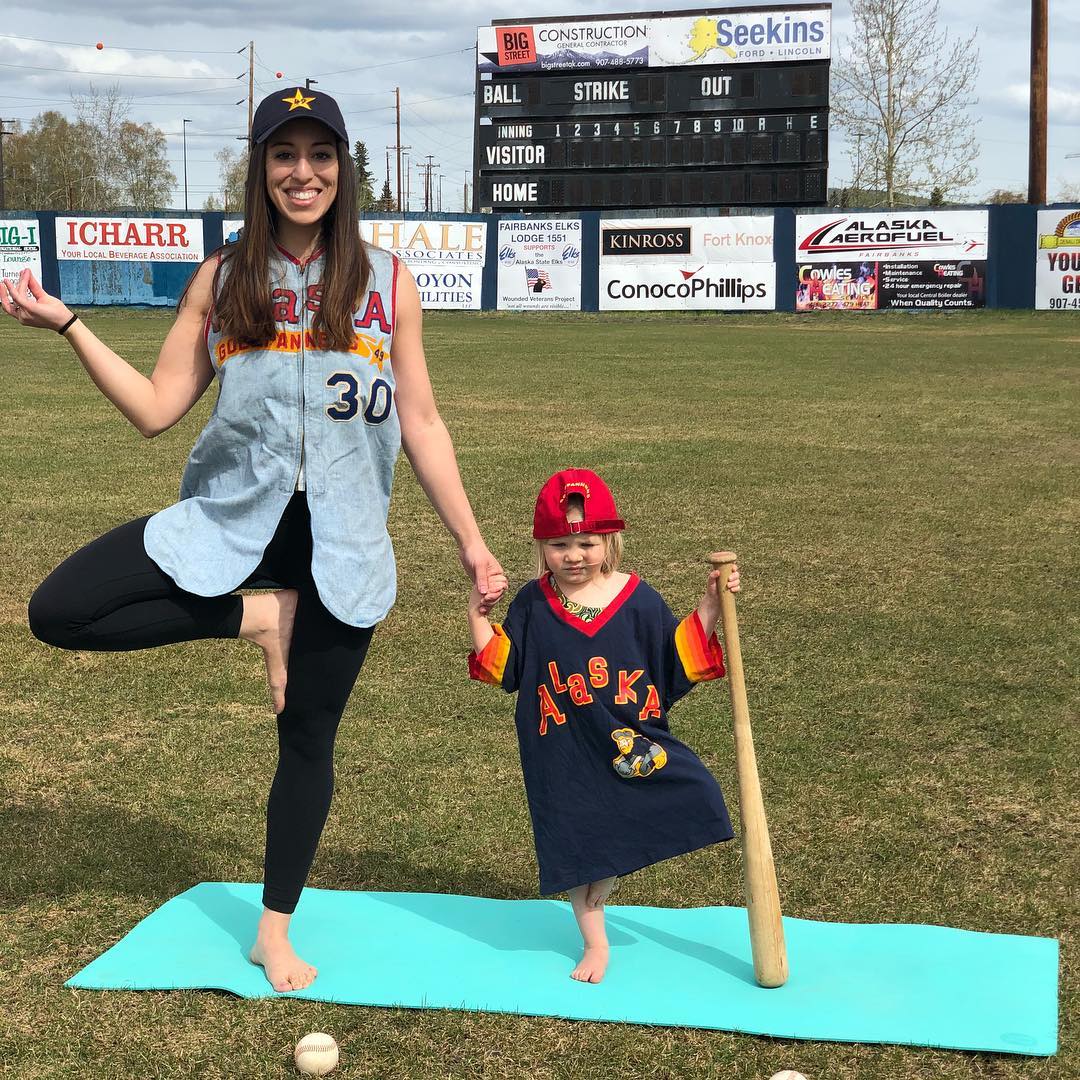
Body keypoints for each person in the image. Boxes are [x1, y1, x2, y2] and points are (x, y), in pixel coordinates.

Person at [0, 87, 504, 993]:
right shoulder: (224, 276)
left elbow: (421, 419)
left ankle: (275, 930)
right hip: (236, 522)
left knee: (308, 738)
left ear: (342, 168)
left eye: (319, 155)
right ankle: (262, 618)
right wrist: (70, 326)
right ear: (261, 168)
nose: (301, 173)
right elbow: (158, 410)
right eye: (283, 154)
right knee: (59, 610)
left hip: (343, 543)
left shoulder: (387, 281)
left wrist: (469, 540)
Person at [467, 469, 738, 984]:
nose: (574, 555)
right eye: (559, 544)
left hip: (629, 740)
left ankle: (607, 879)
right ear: (542, 548)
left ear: (608, 541)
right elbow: (503, 668)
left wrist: (711, 603)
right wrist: (477, 615)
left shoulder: (638, 599)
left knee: (697, 787)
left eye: (586, 542)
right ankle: (595, 942)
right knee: (578, 847)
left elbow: (674, 658)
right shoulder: (532, 602)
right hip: (561, 749)